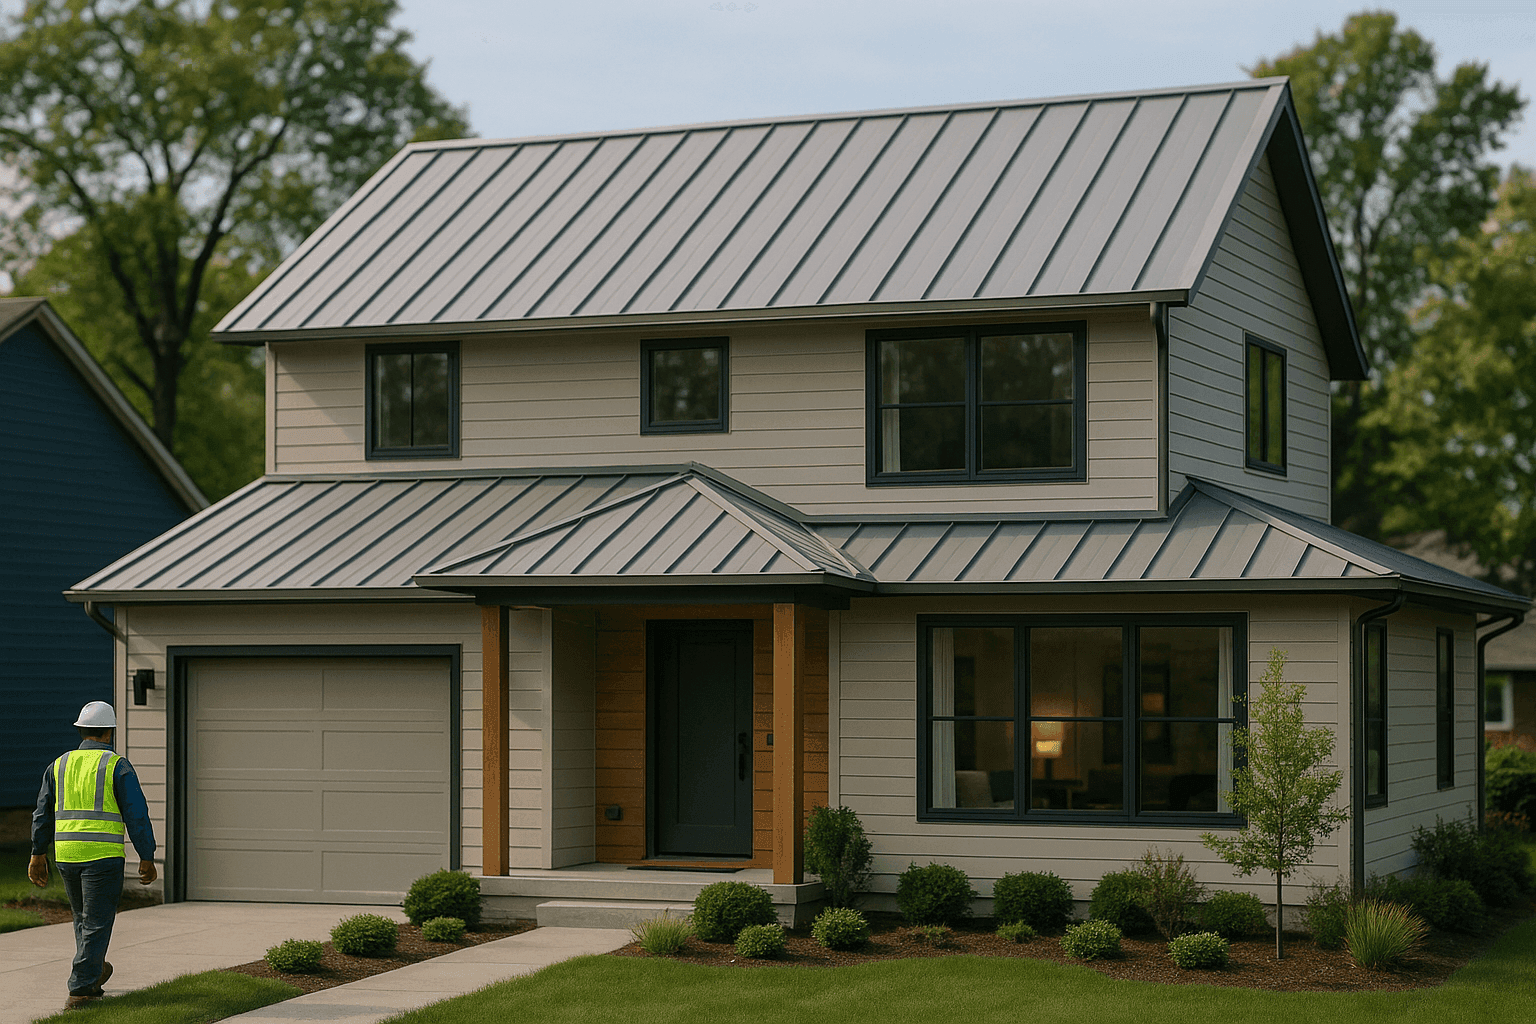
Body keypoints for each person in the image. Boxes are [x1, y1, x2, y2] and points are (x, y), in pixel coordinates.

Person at [29, 701, 158, 1010]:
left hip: (67, 855)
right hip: (103, 855)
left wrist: (37, 852)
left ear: (81, 730)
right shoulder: (116, 765)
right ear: (109, 732)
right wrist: (147, 855)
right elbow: (136, 815)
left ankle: (95, 969)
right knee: (98, 922)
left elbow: (42, 812)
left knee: (83, 919)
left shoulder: (58, 765)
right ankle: (82, 988)